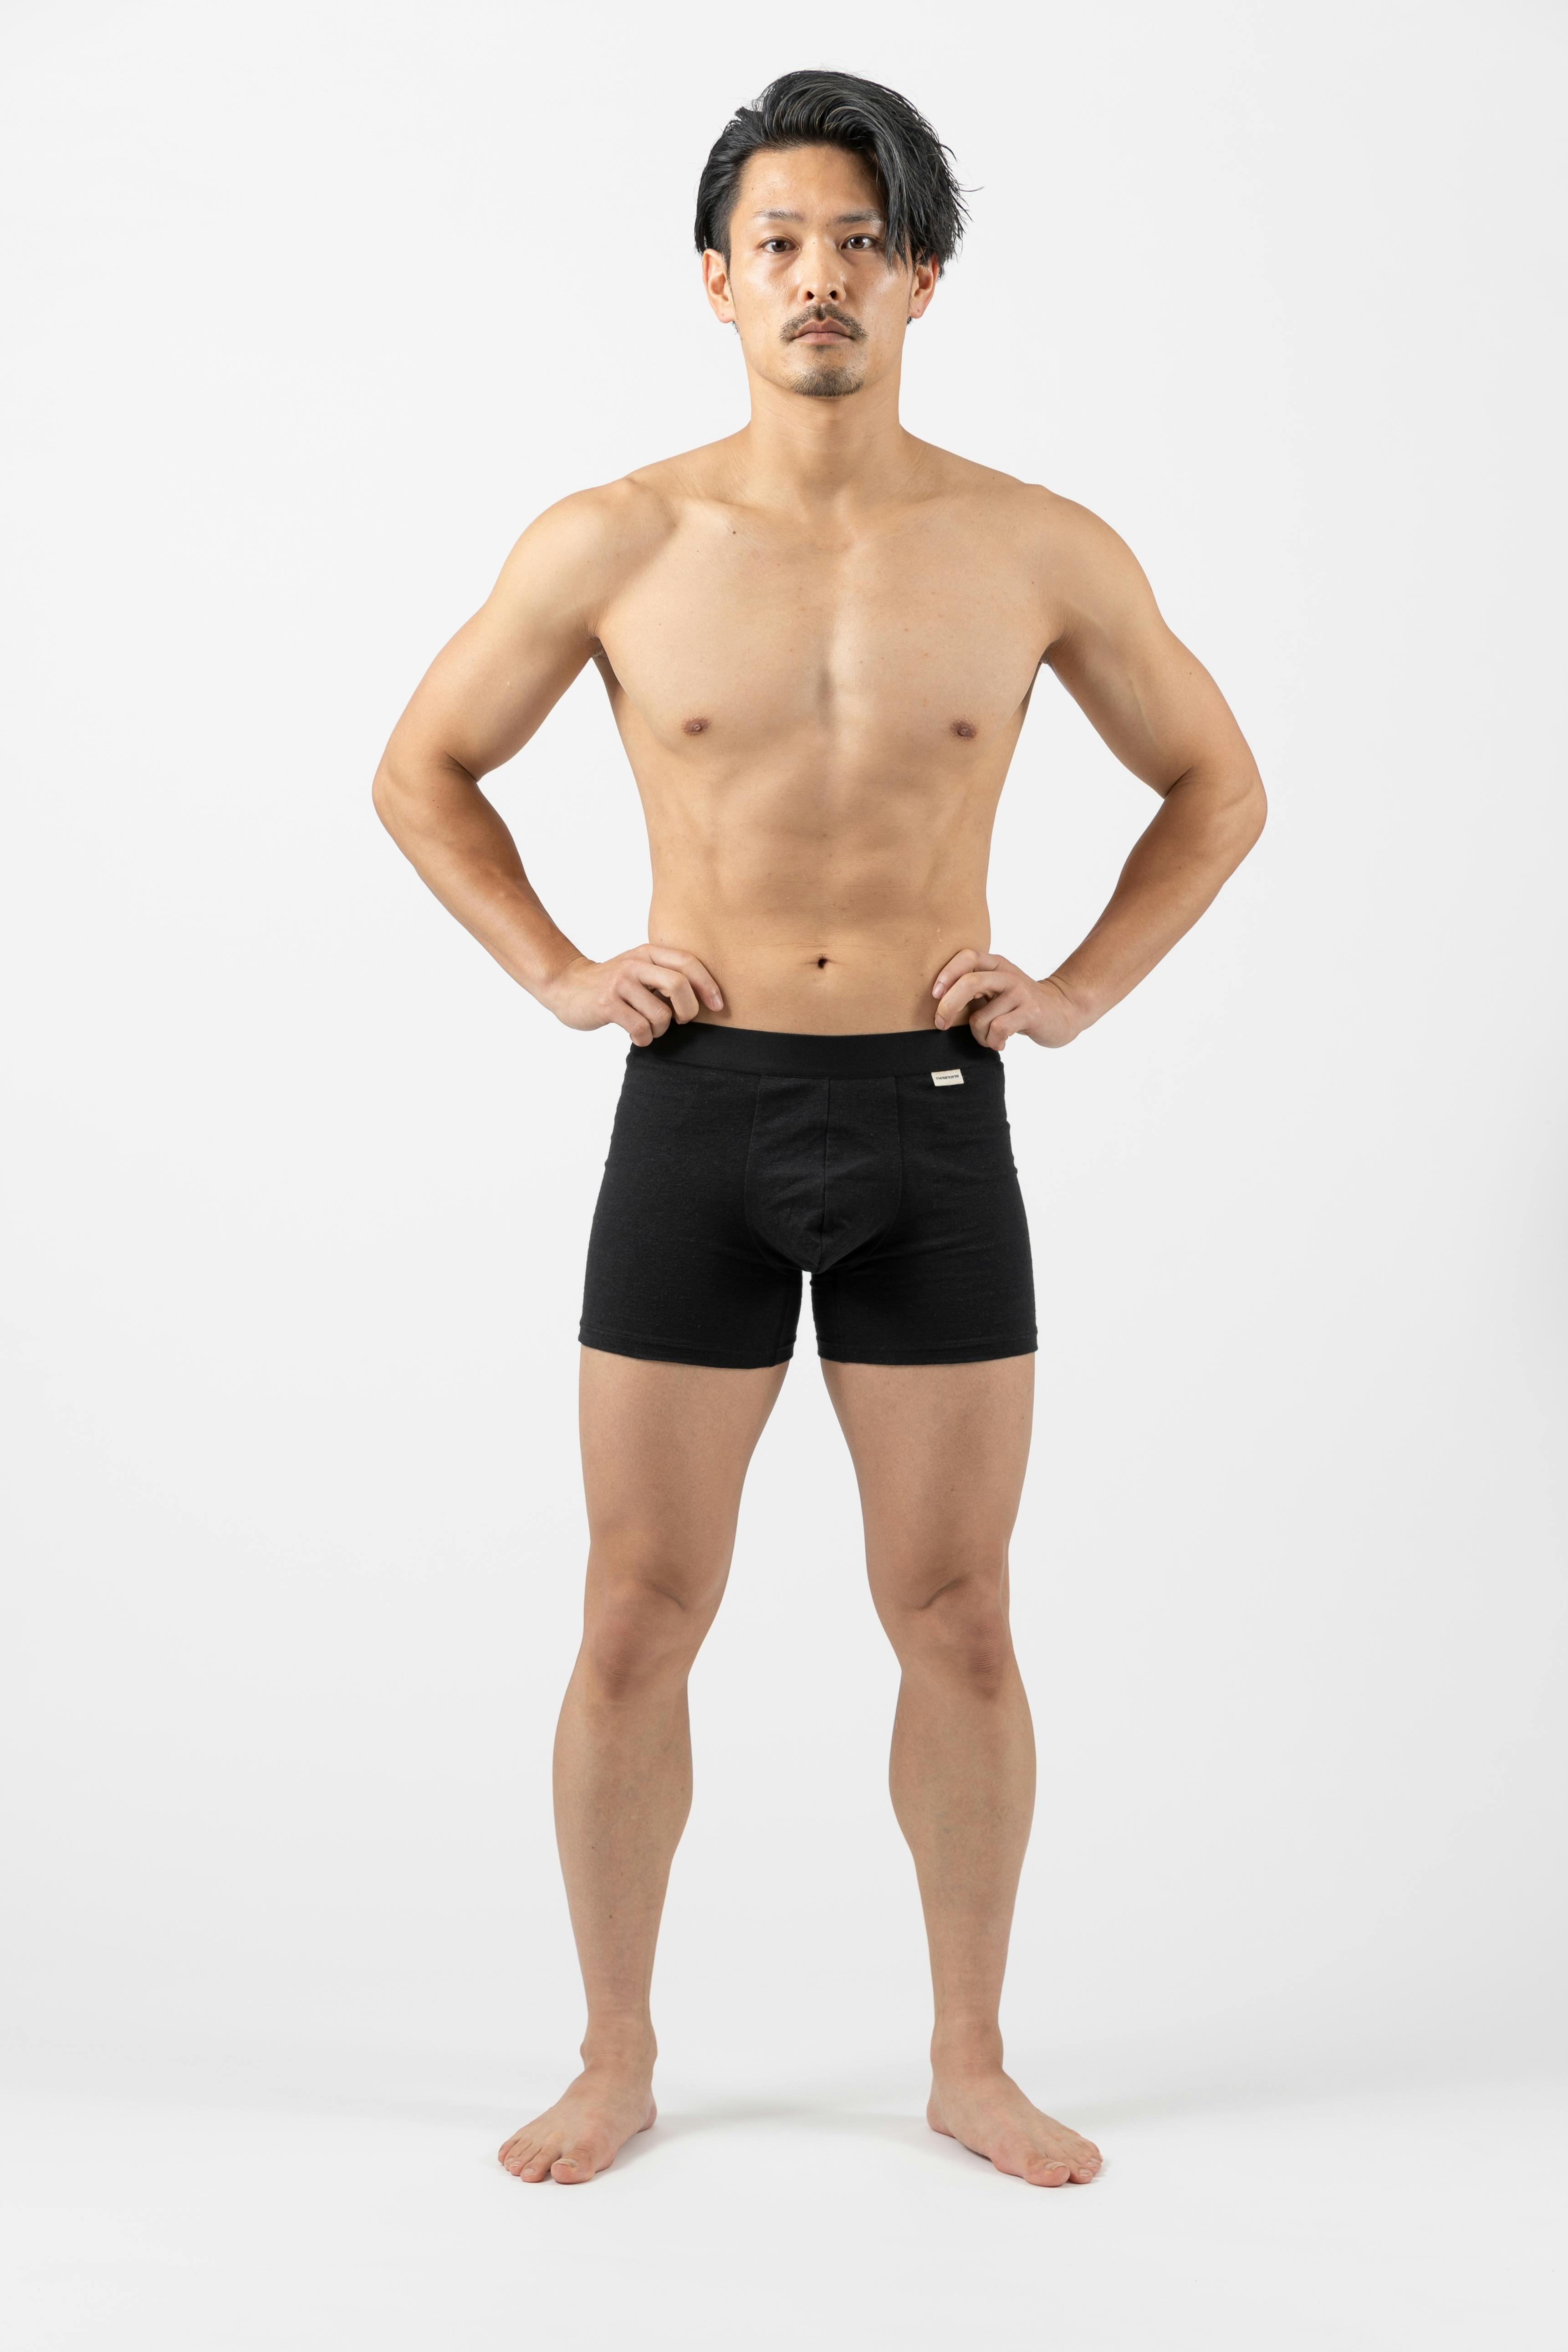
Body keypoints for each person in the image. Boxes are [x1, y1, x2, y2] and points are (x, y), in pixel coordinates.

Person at [372, 66, 1266, 2190]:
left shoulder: (1035, 546)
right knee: (635, 1612)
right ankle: (614, 2055)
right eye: (780, 242)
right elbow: (424, 769)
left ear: (922, 277)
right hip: (696, 1111)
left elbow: (1216, 786)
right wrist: (557, 966)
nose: (821, 279)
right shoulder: (617, 538)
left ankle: (969, 2059)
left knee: (957, 1611)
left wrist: (1076, 988)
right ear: (716, 278)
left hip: (932, 1123)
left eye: (863, 242)